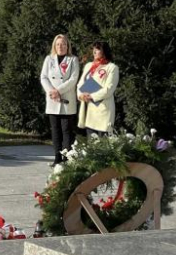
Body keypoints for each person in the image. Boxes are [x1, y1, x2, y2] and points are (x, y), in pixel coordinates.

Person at [40, 34, 80, 164]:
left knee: (67, 131)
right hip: (53, 100)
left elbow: (73, 79)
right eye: (58, 44)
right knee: (56, 131)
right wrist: (51, 91)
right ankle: (57, 158)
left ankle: (67, 158)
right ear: (54, 46)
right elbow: (44, 77)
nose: (60, 47)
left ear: (67, 46)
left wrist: (58, 91)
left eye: (63, 44)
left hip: (66, 100)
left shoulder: (73, 60)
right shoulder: (49, 59)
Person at [76, 41, 120, 138]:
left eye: (98, 49)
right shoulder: (88, 65)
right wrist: (80, 95)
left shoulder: (112, 67)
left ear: (104, 51)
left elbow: (109, 89)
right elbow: (80, 84)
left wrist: (91, 96)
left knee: (102, 146)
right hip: (88, 109)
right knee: (92, 146)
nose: (94, 51)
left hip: (103, 110)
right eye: (94, 49)